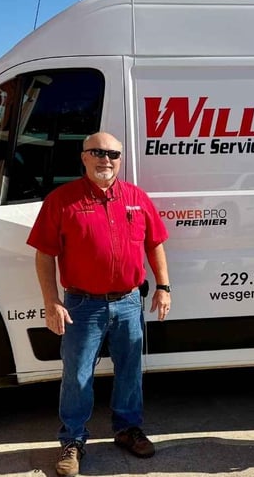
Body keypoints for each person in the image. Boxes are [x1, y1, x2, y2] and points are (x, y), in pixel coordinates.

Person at [27, 132, 172, 477]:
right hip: (81, 305)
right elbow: (45, 255)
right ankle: (72, 440)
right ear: (84, 157)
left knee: (129, 372)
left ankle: (127, 429)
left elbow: (155, 244)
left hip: (128, 302)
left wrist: (163, 286)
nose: (105, 159)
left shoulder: (136, 198)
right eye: (97, 152)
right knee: (77, 375)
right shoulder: (62, 201)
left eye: (112, 154)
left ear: (120, 159)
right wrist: (51, 302)